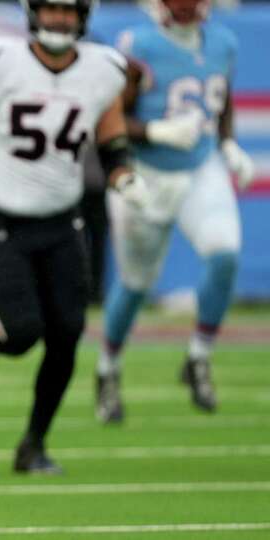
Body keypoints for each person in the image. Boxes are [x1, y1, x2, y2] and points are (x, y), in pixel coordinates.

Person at [0, 0, 148, 473]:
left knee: (67, 334)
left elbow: (111, 141)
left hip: (63, 220)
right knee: (20, 333)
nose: (60, 20)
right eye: (51, 10)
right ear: (33, 13)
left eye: (68, 12)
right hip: (1, 220)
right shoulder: (3, 65)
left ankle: (34, 444)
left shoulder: (101, 71)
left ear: (83, 17)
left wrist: (124, 175)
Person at [96, 0, 253, 422]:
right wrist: (155, 130)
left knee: (225, 254)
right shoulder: (138, 45)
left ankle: (199, 356)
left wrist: (228, 143)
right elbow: (109, 119)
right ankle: (107, 369)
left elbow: (221, 99)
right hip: (144, 175)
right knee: (135, 285)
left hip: (201, 168)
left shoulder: (223, 41)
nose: (185, 7)